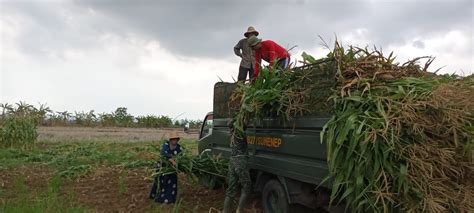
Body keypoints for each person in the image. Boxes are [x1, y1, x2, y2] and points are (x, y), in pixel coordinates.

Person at [223, 120, 251, 213]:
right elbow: (246, 124)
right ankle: (239, 210)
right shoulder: (240, 134)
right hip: (241, 162)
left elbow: (230, 124)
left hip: (232, 162)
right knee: (246, 186)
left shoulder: (232, 134)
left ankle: (225, 211)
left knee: (231, 188)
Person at [149, 132, 183, 204]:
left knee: (172, 182)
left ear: (177, 140)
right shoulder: (166, 145)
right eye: (173, 139)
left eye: (176, 139)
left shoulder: (179, 147)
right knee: (161, 181)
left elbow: (182, 156)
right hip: (163, 167)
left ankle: (169, 199)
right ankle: (157, 196)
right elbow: (164, 153)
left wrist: (178, 163)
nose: (174, 141)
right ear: (170, 139)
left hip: (172, 169)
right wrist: (171, 159)